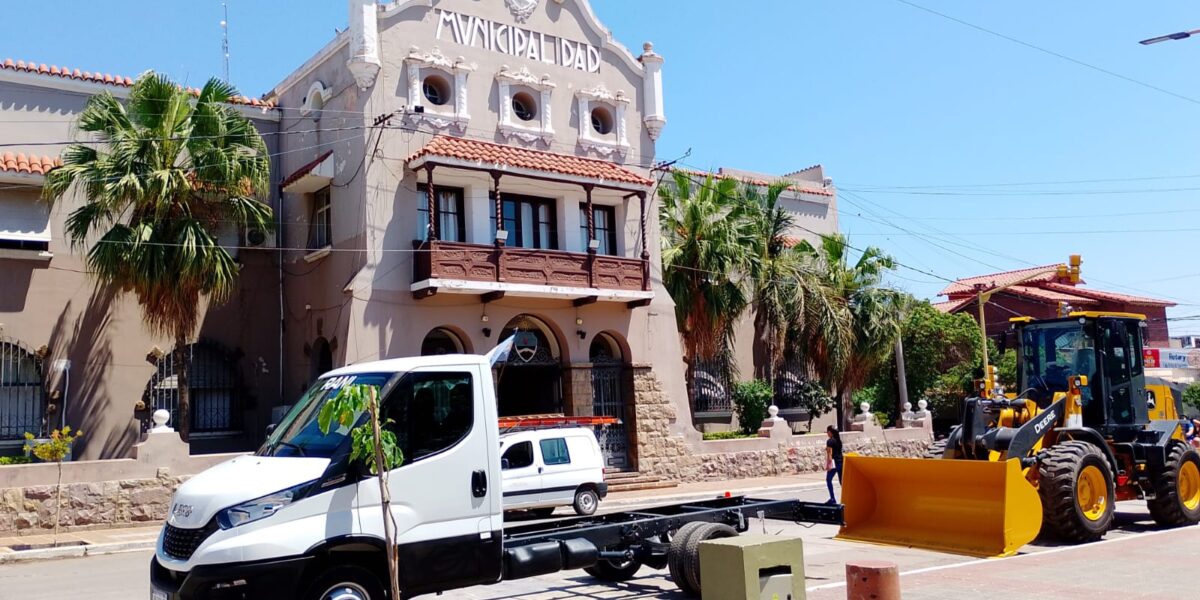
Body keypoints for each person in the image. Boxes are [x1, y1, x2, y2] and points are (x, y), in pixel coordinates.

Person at [825, 425, 843, 504]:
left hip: (834, 463)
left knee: (828, 480)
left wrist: (828, 465)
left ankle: (832, 498)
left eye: (827, 432)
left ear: (830, 432)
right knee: (841, 482)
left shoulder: (829, 441)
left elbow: (830, 455)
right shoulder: (839, 440)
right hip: (841, 462)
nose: (827, 433)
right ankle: (847, 497)